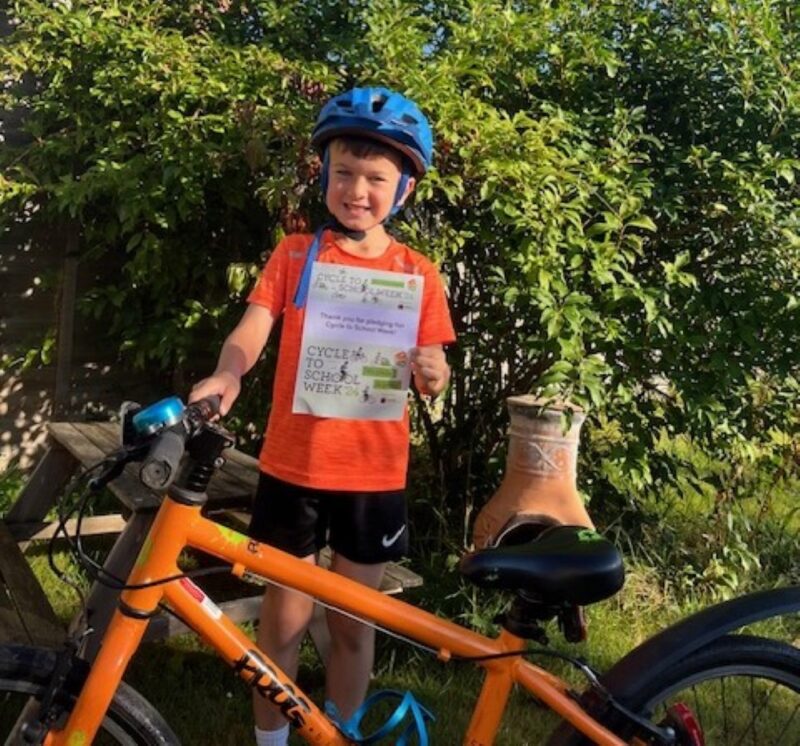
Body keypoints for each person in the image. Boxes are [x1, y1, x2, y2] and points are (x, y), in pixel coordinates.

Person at [190, 86, 456, 746]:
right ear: (325, 175)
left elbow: (434, 367)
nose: (357, 190)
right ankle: (272, 741)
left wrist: (430, 372)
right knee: (282, 620)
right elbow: (252, 329)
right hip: (293, 467)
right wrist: (228, 373)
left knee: (350, 623)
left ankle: (337, 734)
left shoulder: (417, 274)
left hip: (372, 478)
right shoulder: (294, 255)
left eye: (375, 178)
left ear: (404, 191)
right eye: (344, 173)